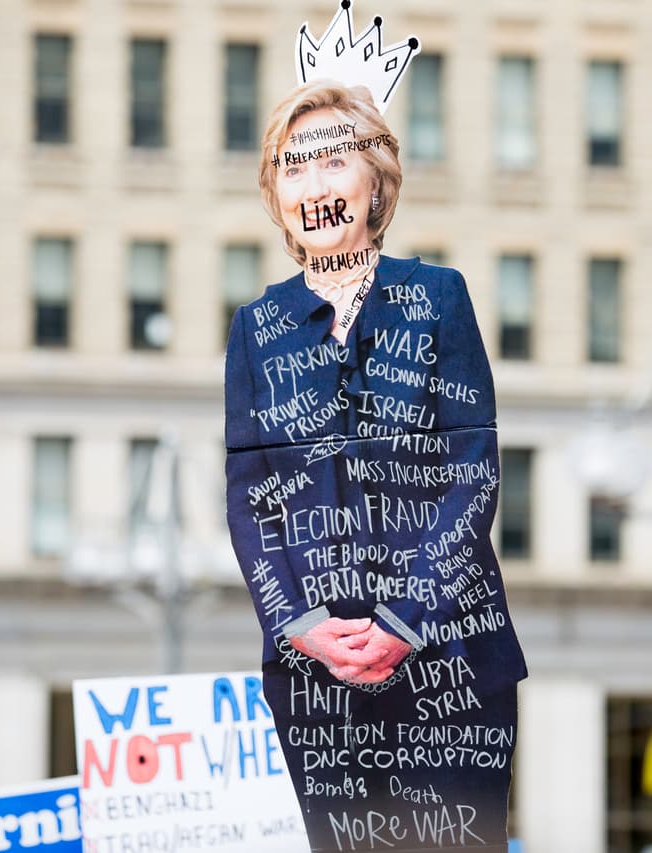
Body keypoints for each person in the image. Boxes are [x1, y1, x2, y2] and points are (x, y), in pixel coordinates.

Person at [225, 79, 527, 852]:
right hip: (316, 676)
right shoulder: (257, 328)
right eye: (293, 167)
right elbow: (251, 499)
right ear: (275, 193)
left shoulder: (437, 298)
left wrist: (405, 621)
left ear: (375, 182)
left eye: (333, 162)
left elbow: (474, 472)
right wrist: (298, 624)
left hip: (450, 657)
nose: (315, 186)